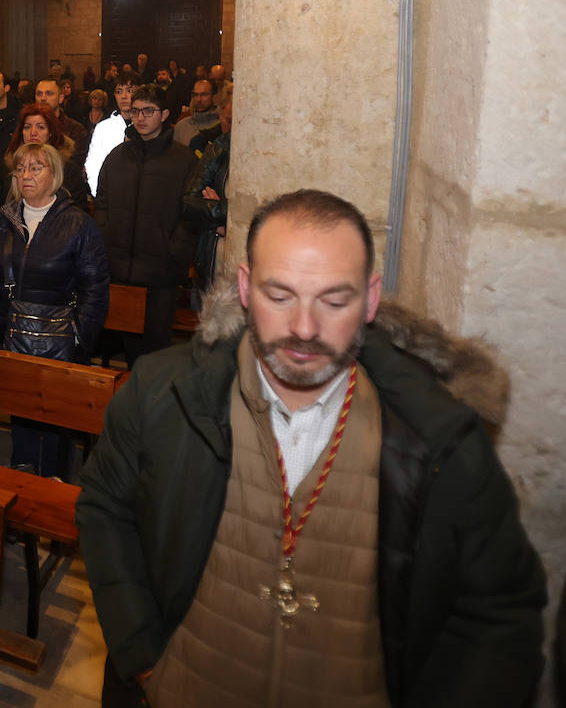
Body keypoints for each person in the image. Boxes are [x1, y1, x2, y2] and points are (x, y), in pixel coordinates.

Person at [76, 189, 547, 708]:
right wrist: (140, 652)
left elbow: (499, 613)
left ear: (370, 299)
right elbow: (105, 505)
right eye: (280, 296)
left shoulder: (441, 439)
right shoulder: (161, 393)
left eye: (333, 300)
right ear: (247, 288)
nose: (304, 327)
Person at [0, 142, 108, 477]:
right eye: (21, 169)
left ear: (55, 174)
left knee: (53, 428)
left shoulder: (78, 224)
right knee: (20, 416)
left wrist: (79, 338)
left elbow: (95, 289)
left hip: (60, 339)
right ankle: (22, 479)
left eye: (36, 168)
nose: (26, 175)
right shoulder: (5, 221)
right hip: (10, 335)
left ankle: (52, 480)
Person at [94, 84, 194, 365]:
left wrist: (174, 251)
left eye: (148, 111)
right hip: (119, 269)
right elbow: (102, 203)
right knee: (121, 350)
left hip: (159, 274)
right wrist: (105, 237)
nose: (140, 117)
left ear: (164, 114)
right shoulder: (117, 158)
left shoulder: (183, 160)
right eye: (135, 111)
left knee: (154, 353)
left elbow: (190, 215)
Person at [0, 103, 90, 216]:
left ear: (50, 133)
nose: (33, 133)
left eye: (40, 127)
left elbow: (80, 212)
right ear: (21, 132)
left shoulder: (68, 169)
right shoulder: (9, 165)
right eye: (27, 127)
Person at [181, 88, 233, 303]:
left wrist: (218, 216)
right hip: (213, 260)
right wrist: (223, 218)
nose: (233, 127)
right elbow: (188, 203)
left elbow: (262, 210)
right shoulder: (217, 151)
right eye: (229, 119)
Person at [85, 74, 137, 197]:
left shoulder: (147, 125)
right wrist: (97, 193)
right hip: (109, 194)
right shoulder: (104, 127)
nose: (124, 96)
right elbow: (94, 163)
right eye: (119, 91)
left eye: (129, 91)